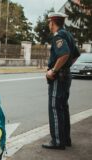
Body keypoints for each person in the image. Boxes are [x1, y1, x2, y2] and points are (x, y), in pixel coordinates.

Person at [42, 12, 80, 150]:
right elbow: (75, 54)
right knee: (63, 108)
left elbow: (64, 54)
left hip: (59, 77)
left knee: (55, 108)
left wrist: (54, 70)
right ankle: (65, 139)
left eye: (49, 22)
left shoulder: (58, 35)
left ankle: (57, 141)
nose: (48, 25)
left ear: (53, 22)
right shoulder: (68, 34)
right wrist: (67, 66)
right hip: (66, 75)